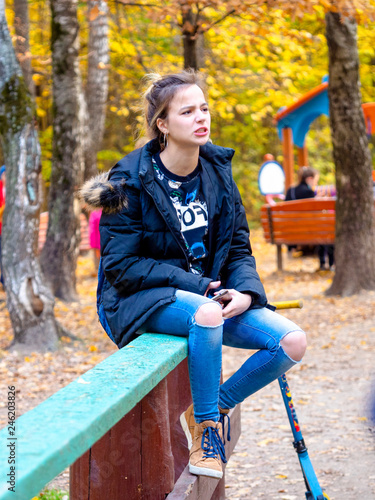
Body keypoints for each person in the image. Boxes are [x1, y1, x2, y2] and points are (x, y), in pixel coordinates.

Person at [81, 71, 307, 480]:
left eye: (204, 108)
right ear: (162, 125)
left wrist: (246, 293)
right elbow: (120, 267)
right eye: (187, 111)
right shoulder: (129, 181)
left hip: (211, 298)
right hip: (139, 298)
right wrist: (201, 287)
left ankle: (213, 405)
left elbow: (238, 245)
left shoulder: (217, 170)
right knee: (205, 314)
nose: (201, 117)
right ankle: (207, 430)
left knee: (291, 341)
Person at [286, 166, 334, 270]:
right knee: (328, 231)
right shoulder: (309, 193)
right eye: (316, 180)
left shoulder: (290, 191)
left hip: (289, 231)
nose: (316, 183)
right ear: (309, 179)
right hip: (308, 231)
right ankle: (328, 264)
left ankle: (291, 249)